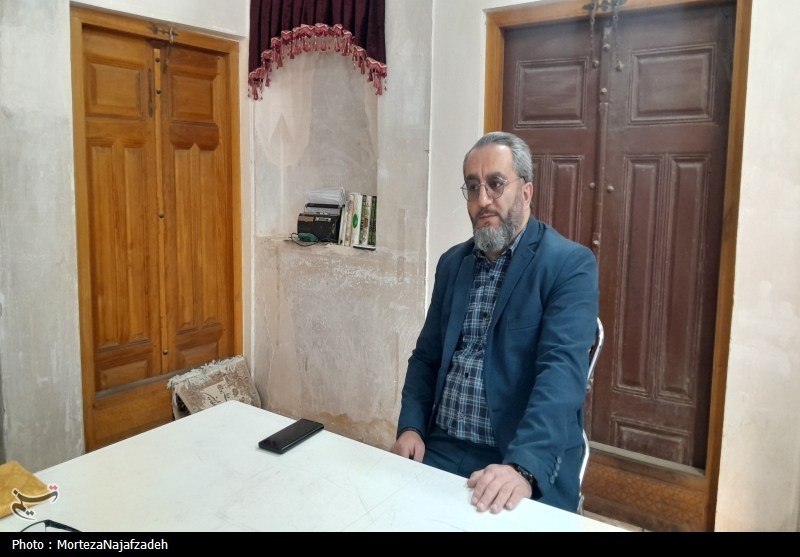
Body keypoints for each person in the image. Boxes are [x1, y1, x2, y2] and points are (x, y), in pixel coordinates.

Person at [390, 131, 599, 514]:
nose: (483, 199)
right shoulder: (452, 264)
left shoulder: (569, 265)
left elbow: (562, 373)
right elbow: (426, 358)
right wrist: (411, 427)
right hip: (441, 447)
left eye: (496, 184)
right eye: (473, 187)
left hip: (514, 455)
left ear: (526, 192)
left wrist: (522, 467)